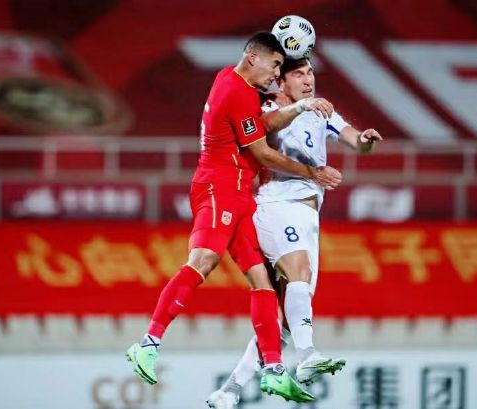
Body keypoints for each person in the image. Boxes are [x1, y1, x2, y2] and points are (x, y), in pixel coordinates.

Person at [125, 32, 343, 404]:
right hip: (218, 189)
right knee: (203, 260)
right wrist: (311, 173)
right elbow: (261, 151)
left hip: (243, 196)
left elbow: (263, 126)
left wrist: (299, 108)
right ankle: (148, 342)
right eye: (275, 65)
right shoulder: (237, 92)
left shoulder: (234, 79)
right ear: (253, 58)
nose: (277, 74)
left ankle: (273, 369)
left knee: (262, 282)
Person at [207, 56, 382, 408]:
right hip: (274, 206)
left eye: (310, 73)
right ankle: (307, 356)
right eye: (298, 74)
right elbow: (263, 151)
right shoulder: (266, 111)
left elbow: (354, 141)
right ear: (280, 82)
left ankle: (230, 391)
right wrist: (311, 171)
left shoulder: (323, 112)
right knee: (298, 272)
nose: (308, 80)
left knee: (287, 318)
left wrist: (364, 140)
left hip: (308, 216)